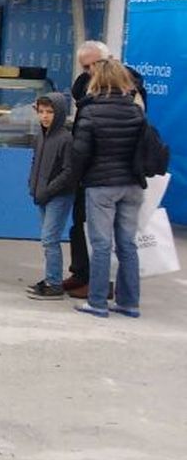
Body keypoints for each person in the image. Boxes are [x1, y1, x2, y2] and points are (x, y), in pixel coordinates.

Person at [64, 41, 147, 297]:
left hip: (103, 175)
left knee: (102, 241)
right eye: (85, 66)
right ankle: (90, 278)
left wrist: (73, 172)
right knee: (88, 228)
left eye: (93, 65)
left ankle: (99, 294)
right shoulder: (84, 87)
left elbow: (84, 145)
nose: (90, 71)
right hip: (119, 176)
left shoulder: (126, 92)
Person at [25, 93, 75, 301]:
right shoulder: (41, 136)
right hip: (43, 193)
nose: (45, 116)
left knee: (49, 239)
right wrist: (33, 184)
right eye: (41, 112)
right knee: (47, 239)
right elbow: (36, 161)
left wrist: (48, 190)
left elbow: (68, 172)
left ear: (60, 113)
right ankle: (49, 278)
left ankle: (54, 283)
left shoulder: (65, 138)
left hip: (58, 195)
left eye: (50, 112)